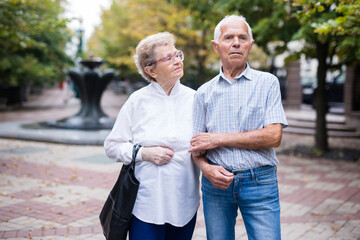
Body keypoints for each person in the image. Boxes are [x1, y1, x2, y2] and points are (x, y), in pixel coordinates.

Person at [189, 15, 288, 240]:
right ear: (216, 46)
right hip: (216, 185)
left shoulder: (268, 83)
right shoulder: (203, 93)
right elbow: (197, 148)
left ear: (250, 45)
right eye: (229, 37)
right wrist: (206, 169)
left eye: (242, 37)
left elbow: (273, 136)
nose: (236, 42)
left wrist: (218, 139)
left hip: (260, 182)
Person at [104, 32, 200, 240]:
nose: (177, 60)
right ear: (151, 70)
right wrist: (143, 153)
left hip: (185, 202)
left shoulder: (196, 99)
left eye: (177, 55)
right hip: (146, 205)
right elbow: (112, 146)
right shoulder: (137, 101)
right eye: (168, 58)